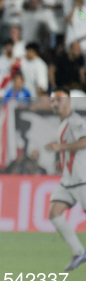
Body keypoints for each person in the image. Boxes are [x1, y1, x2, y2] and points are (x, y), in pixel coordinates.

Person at [45, 89, 86, 271]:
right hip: (68, 180)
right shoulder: (63, 123)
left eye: (59, 100)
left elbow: (84, 141)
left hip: (83, 179)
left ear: (68, 101)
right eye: (53, 101)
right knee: (54, 213)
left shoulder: (76, 121)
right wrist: (61, 158)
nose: (55, 104)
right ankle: (79, 252)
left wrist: (60, 147)